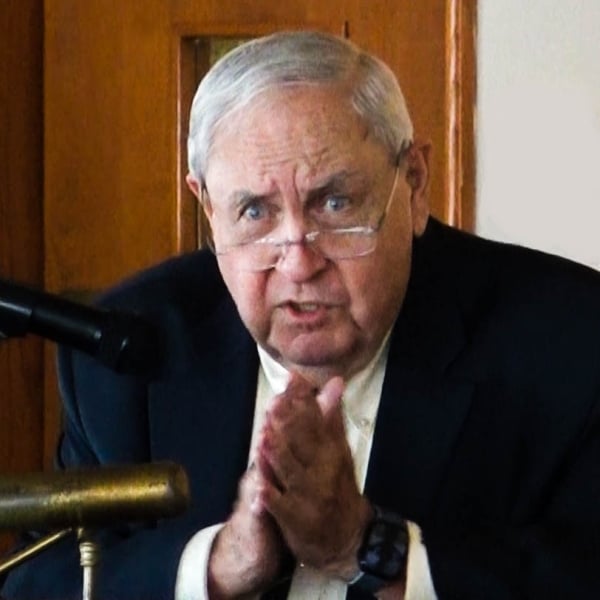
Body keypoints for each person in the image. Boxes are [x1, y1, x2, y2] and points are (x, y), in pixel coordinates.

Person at [2, 30, 600, 600]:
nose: (299, 263)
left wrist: (368, 548)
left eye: (335, 204)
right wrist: (216, 566)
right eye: (255, 212)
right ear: (207, 207)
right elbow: (38, 582)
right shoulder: (130, 349)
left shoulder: (569, 339)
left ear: (414, 185)